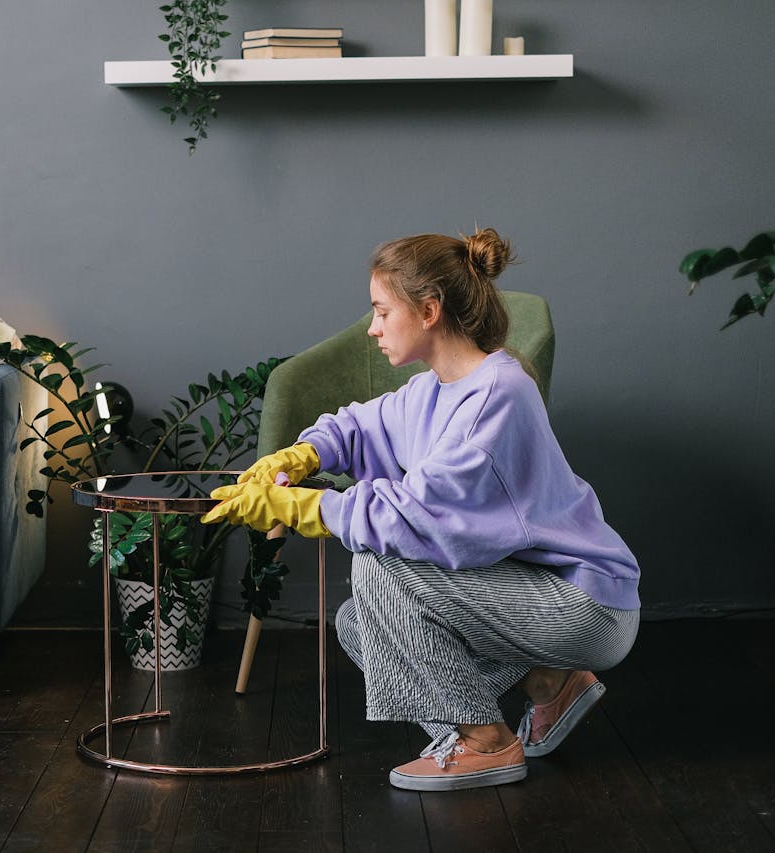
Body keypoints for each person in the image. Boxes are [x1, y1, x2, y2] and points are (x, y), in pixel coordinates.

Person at [202, 228, 640, 792]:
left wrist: (305, 506)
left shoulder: (496, 398)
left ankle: (483, 740)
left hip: (584, 604)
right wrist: (306, 453)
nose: (372, 326)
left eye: (382, 310)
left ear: (429, 310)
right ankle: (546, 682)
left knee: (377, 565)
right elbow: (363, 424)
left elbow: (411, 519)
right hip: (531, 593)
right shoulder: (435, 389)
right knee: (360, 625)